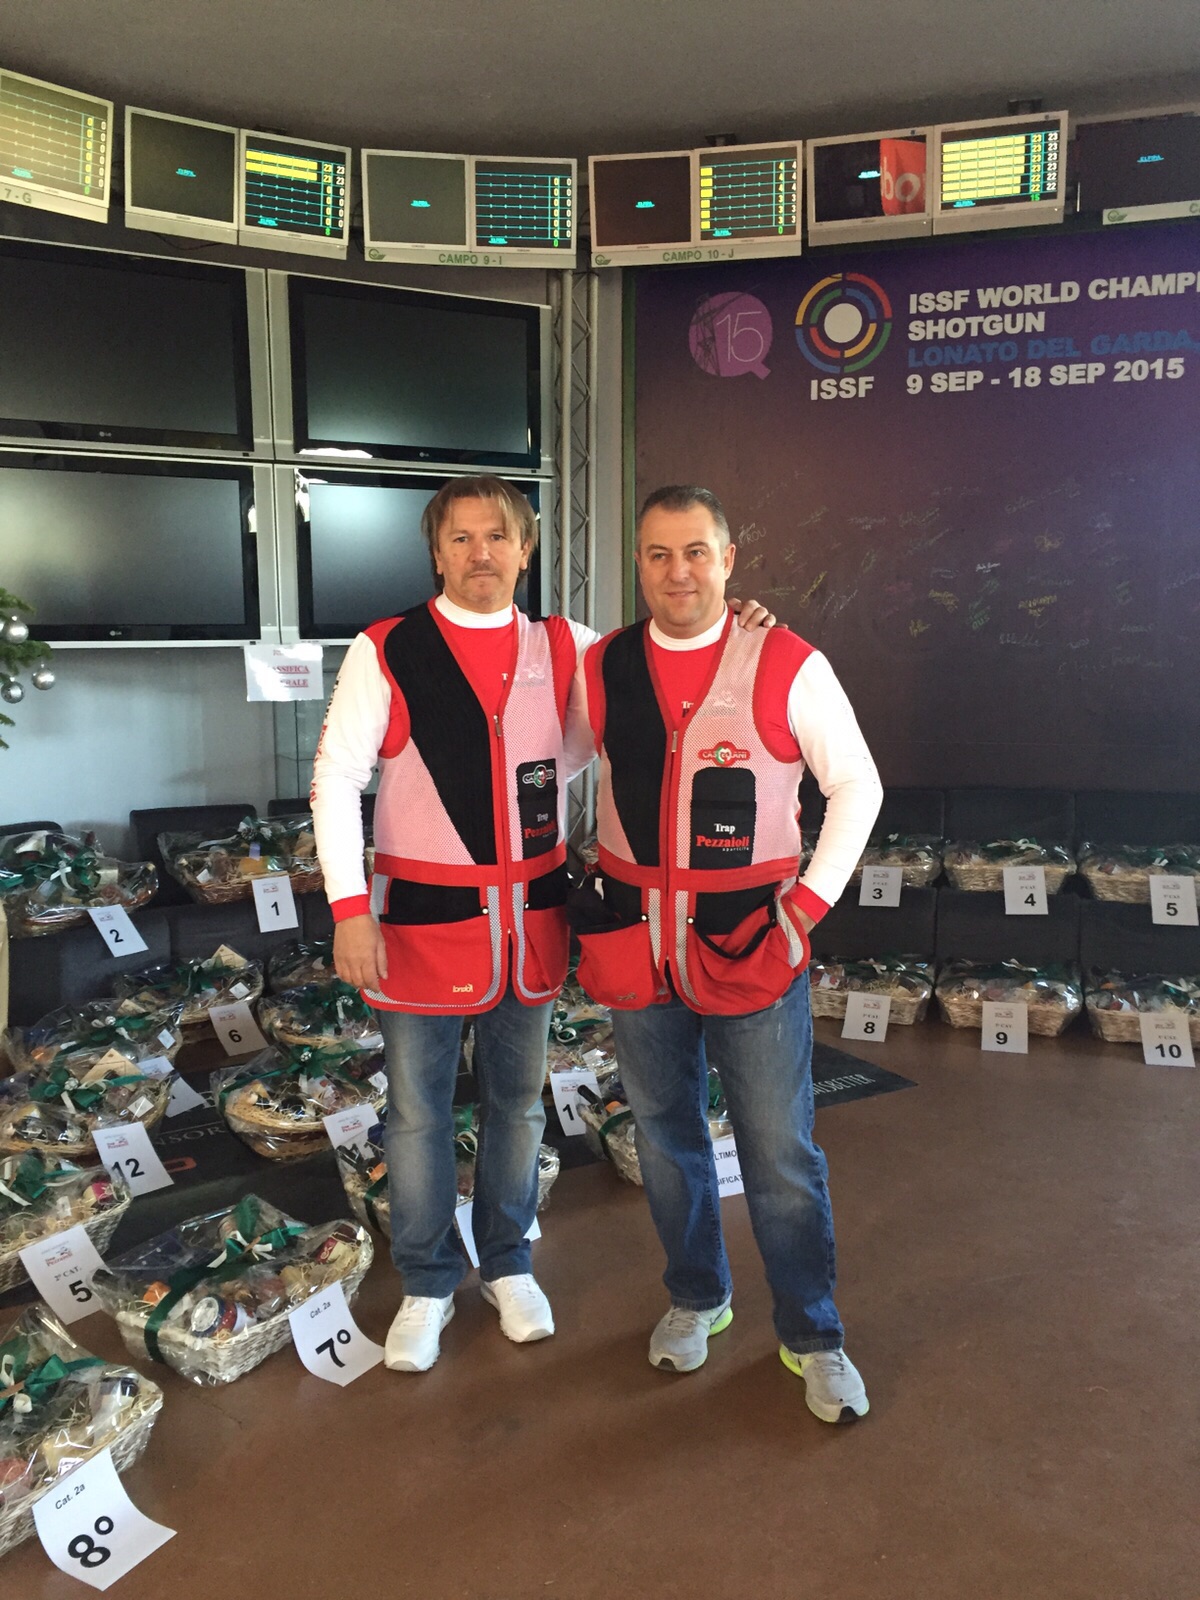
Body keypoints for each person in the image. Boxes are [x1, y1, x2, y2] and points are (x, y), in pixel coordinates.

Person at [311, 475, 774, 1373]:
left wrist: (740, 627)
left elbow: (671, 664)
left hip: (530, 924)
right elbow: (335, 779)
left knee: (519, 1106)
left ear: (525, 550)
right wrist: (348, 908)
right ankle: (427, 1282)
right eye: (460, 538)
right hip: (416, 925)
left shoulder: (570, 647)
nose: (479, 553)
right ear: (436, 552)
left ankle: (508, 1262)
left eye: (497, 536)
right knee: (416, 1116)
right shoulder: (387, 647)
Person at [570, 484, 883, 1423]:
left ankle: (813, 1336)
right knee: (665, 1143)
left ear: (729, 559)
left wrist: (805, 910)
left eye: (697, 552)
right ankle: (697, 1295)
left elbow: (856, 786)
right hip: (638, 949)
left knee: (779, 1152)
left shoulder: (787, 661)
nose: (679, 573)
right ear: (638, 562)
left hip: (751, 947)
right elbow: (541, 754)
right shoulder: (602, 665)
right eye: (659, 554)